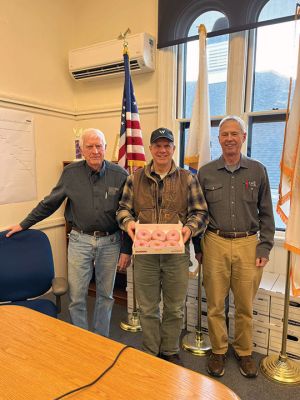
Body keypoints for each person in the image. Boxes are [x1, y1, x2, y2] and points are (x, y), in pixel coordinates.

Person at [6, 128, 131, 337]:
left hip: (111, 242)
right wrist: (23, 224)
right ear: (81, 149)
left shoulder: (120, 175)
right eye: (89, 146)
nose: (94, 151)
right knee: (77, 295)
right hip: (79, 240)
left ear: (106, 148)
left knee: (106, 295)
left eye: (99, 146)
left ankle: (101, 340)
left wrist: (126, 249)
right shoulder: (70, 173)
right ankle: (80, 339)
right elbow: (49, 203)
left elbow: (129, 213)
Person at [116, 127, 208, 365]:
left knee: (175, 308)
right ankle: (150, 351)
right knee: (147, 308)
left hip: (176, 255)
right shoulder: (134, 179)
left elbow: (200, 212)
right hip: (145, 256)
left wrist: (190, 228)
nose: (162, 150)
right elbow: (122, 209)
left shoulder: (188, 179)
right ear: (150, 149)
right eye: (158, 145)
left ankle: (169, 350)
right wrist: (128, 223)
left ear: (173, 149)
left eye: (167, 145)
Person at [196, 115, 275, 378]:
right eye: (224, 134)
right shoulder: (205, 172)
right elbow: (198, 213)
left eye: (234, 134)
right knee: (216, 304)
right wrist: (199, 247)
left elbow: (266, 213)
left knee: (243, 306)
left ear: (243, 137)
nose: (229, 139)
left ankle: (243, 352)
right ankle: (218, 350)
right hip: (215, 242)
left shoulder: (258, 170)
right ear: (218, 139)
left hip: (248, 244)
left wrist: (264, 247)